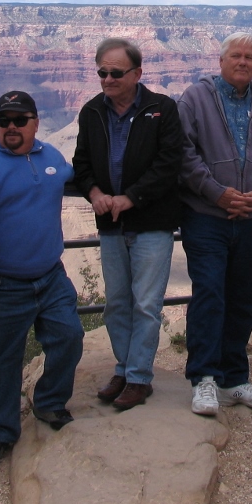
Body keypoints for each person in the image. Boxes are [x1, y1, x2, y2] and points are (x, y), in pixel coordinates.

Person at [0, 91, 84, 467]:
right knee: (1, 360)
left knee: (69, 337)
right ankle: (0, 431)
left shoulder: (51, 157)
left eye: (19, 119)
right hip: (1, 283)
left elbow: (75, 176)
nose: (11, 127)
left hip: (50, 275)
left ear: (35, 122)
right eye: (3, 120)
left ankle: (49, 402)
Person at [178, 33, 252, 416]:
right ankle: (204, 379)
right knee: (210, 292)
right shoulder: (195, 99)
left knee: (242, 296)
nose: (243, 62)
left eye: (249, 57)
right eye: (236, 56)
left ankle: (234, 378)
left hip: (251, 217)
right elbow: (183, 152)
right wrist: (216, 193)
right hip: (207, 216)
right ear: (221, 60)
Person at [73, 39, 183, 412]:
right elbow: (81, 161)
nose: (107, 79)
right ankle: (123, 369)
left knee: (147, 305)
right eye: (102, 72)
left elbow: (169, 164)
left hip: (152, 223)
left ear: (137, 73)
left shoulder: (161, 109)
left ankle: (138, 378)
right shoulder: (91, 112)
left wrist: (131, 197)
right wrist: (94, 191)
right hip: (110, 225)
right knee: (117, 303)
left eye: (115, 73)